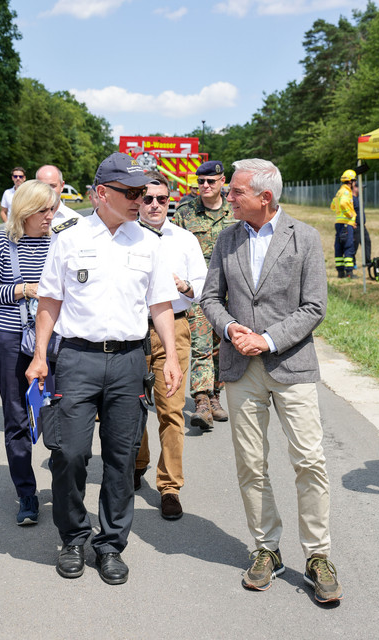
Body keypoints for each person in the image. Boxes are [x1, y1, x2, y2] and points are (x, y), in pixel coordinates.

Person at [25, 152, 183, 586]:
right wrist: (40, 356)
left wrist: (169, 356)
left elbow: (161, 305)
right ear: (101, 195)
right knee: (70, 454)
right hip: (77, 358)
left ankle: (110, 544)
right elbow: (50, 301)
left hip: (130, 360)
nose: (141, 200)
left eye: (144, 192)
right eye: (131, 193)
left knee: (121, 457)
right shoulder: (68, 238)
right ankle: (73, 538)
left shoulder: (149, 243)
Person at [200, 158, 343, 604]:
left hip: (291, 366)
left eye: (236, 192)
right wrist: (230, 329)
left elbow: (314, 306)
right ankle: (266, 549)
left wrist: (266, 338)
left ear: (265, 197)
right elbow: (210, 297)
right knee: (251, 463)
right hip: (241, 369)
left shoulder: (304, 237)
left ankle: (318, 556)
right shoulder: (227, 238)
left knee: (309, 460)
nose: (228, 197)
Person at [134, 171, 207, 520]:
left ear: (170, 201)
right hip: (131, 331)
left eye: (161, 199)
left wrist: (185, 286)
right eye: (148, 199)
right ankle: (137, 462)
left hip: (173, 330)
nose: (155, 205)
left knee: (170, 408)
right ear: (138, 200)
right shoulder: (124, 238)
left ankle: (169, 486)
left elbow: (203, 288)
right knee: (130, 409)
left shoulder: (185, 240)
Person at [0, 180, 56, 524]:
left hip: (55, 339)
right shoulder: (1, 240)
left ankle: (61, 489)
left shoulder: (59, 242)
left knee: (55, 413)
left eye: (53, 208)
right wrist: (23, 289)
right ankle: (26, 495)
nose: (50, 215)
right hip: (9, 339)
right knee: (16, 418)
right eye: (43, 209)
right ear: (26, 211)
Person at [173, 160, 235, 430]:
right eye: (201, 182)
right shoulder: (186, 212)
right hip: (200, 290)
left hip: (233, 291)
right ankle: (201, 402)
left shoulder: (236, 211)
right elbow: (172, 245)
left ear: (223, 182)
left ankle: (215, 397)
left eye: (211, 181)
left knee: (223, 347)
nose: (205, 186)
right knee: (200, 345)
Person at [330, 169, 357, 279]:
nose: (355, 183)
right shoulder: (346, 192)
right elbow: (342, 203)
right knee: (348, 246)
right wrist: (349, 214)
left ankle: (340, 272)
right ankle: (349, 272)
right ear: (350, 182)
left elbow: (333, 206)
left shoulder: (339, 192)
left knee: (339, 247)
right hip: (346, 224)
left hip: (339, 223)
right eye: (354, 181)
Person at [352, 182, 371, 267]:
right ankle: (352, 263)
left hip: (362, 226)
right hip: (355, 226)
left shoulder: (359, 198)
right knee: (354, 245)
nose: (362, 189)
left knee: (367, 242)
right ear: (355, 188)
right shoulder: (351, 199)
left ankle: (367, 261)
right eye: (361, 187)